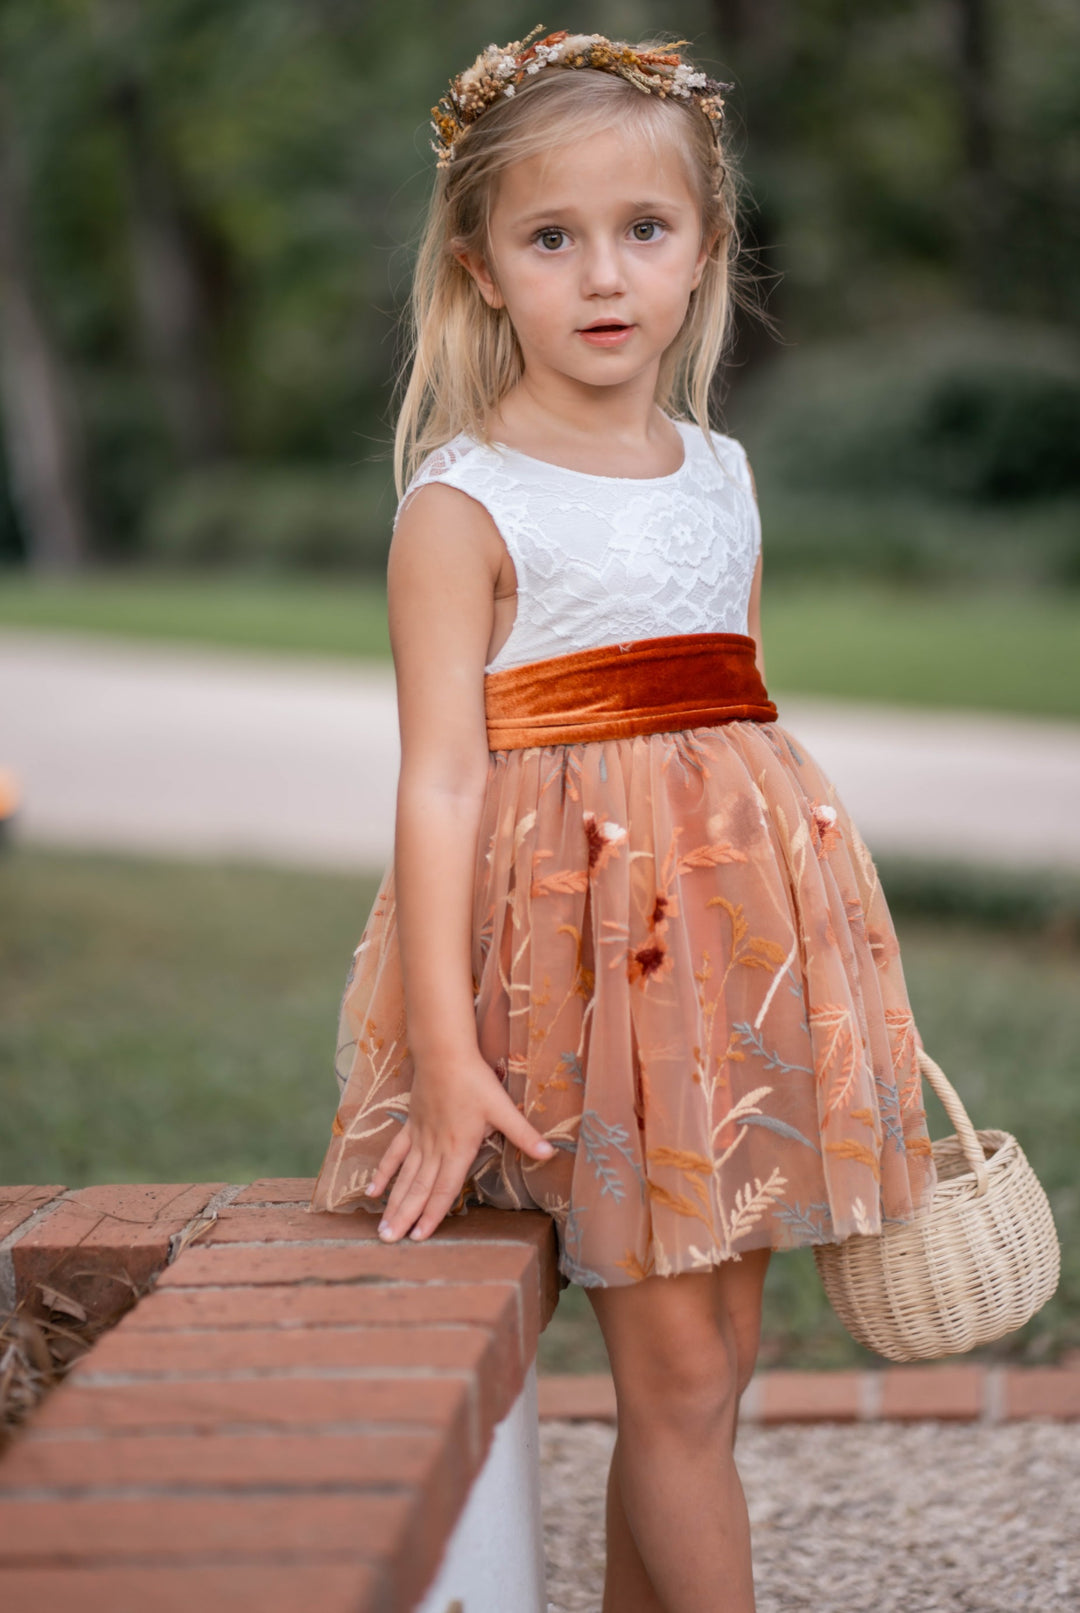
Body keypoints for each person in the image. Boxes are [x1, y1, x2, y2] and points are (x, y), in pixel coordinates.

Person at [311, 29, 936, 1613]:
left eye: (643, 231)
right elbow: (442, 780)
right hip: (588, 987)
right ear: (481, 270)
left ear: (705, 251)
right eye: (551, 237)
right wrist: (446, 1057)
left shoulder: (720, 472)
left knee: (712, 1362)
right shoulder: (466, 501)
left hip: (730, 980)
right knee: (670, 1381)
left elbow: (736, 724)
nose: (603, 275)